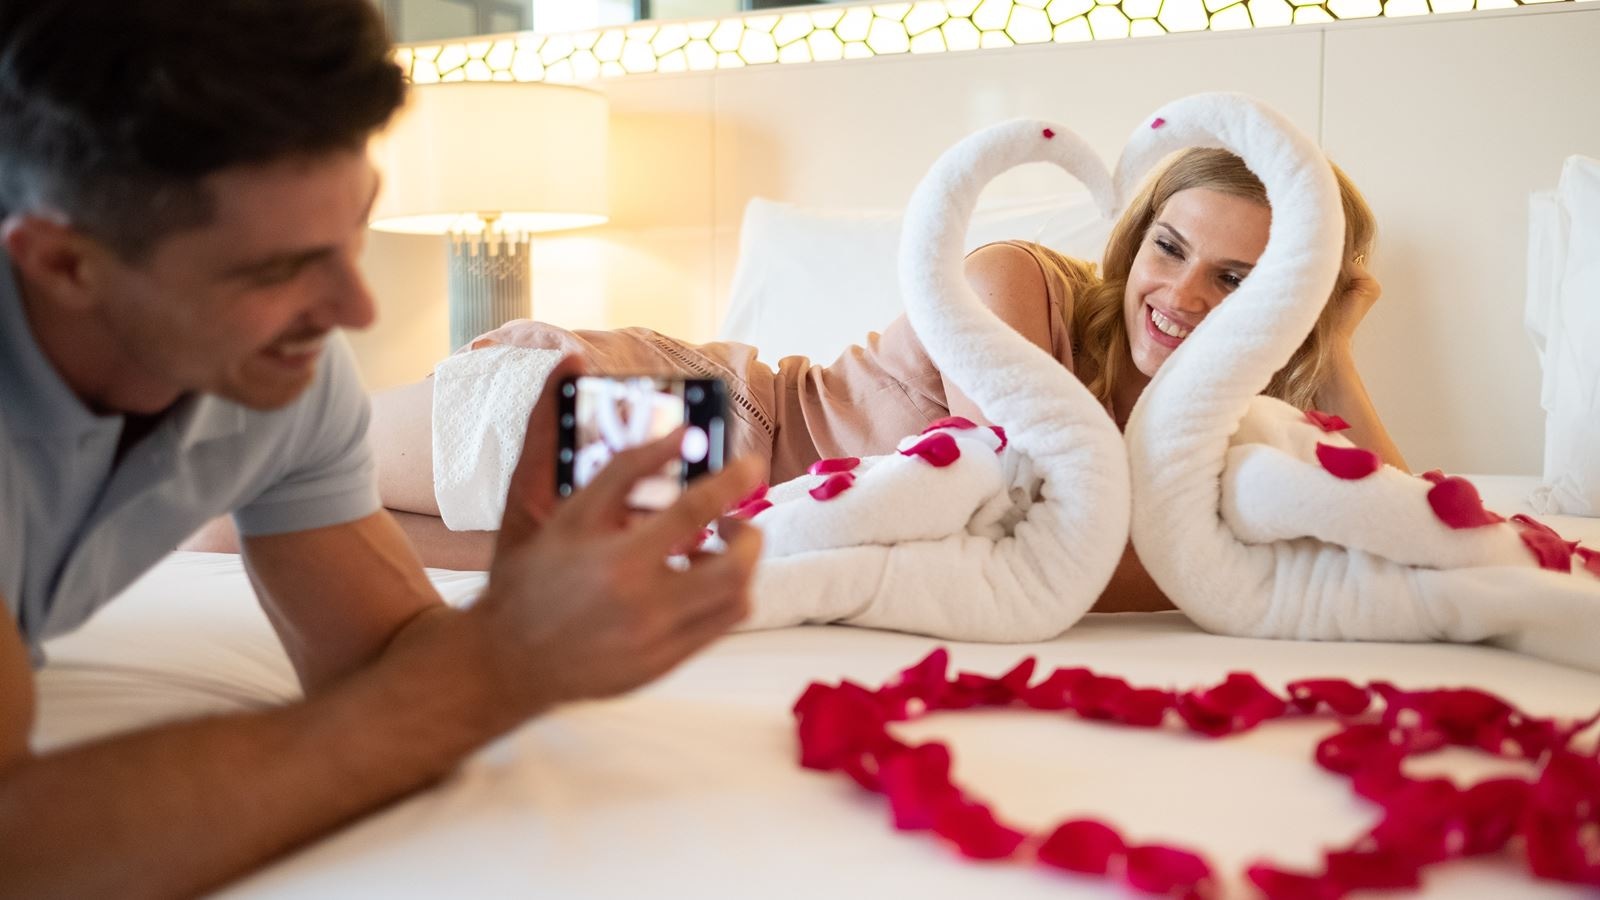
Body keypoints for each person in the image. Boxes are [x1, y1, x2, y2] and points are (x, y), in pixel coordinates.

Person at [0, 2, 761, 895]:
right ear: (62, 265)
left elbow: (383, 656)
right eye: (276, 268)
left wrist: (512, 608)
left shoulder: (276, 377)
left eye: (354, 230)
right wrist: (493, 667)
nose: (357, 310)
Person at [348, 146, 1406, 612]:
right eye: (1169, 248)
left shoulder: (1228, 411)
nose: (1184, 297)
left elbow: (1401, 525)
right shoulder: (1012, 285)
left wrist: (1338, 347)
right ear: (1131, 238)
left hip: (717, 537)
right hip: (705, 420)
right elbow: (1056, 536)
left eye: (1241, 280)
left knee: (244, 526)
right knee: (277, 455)